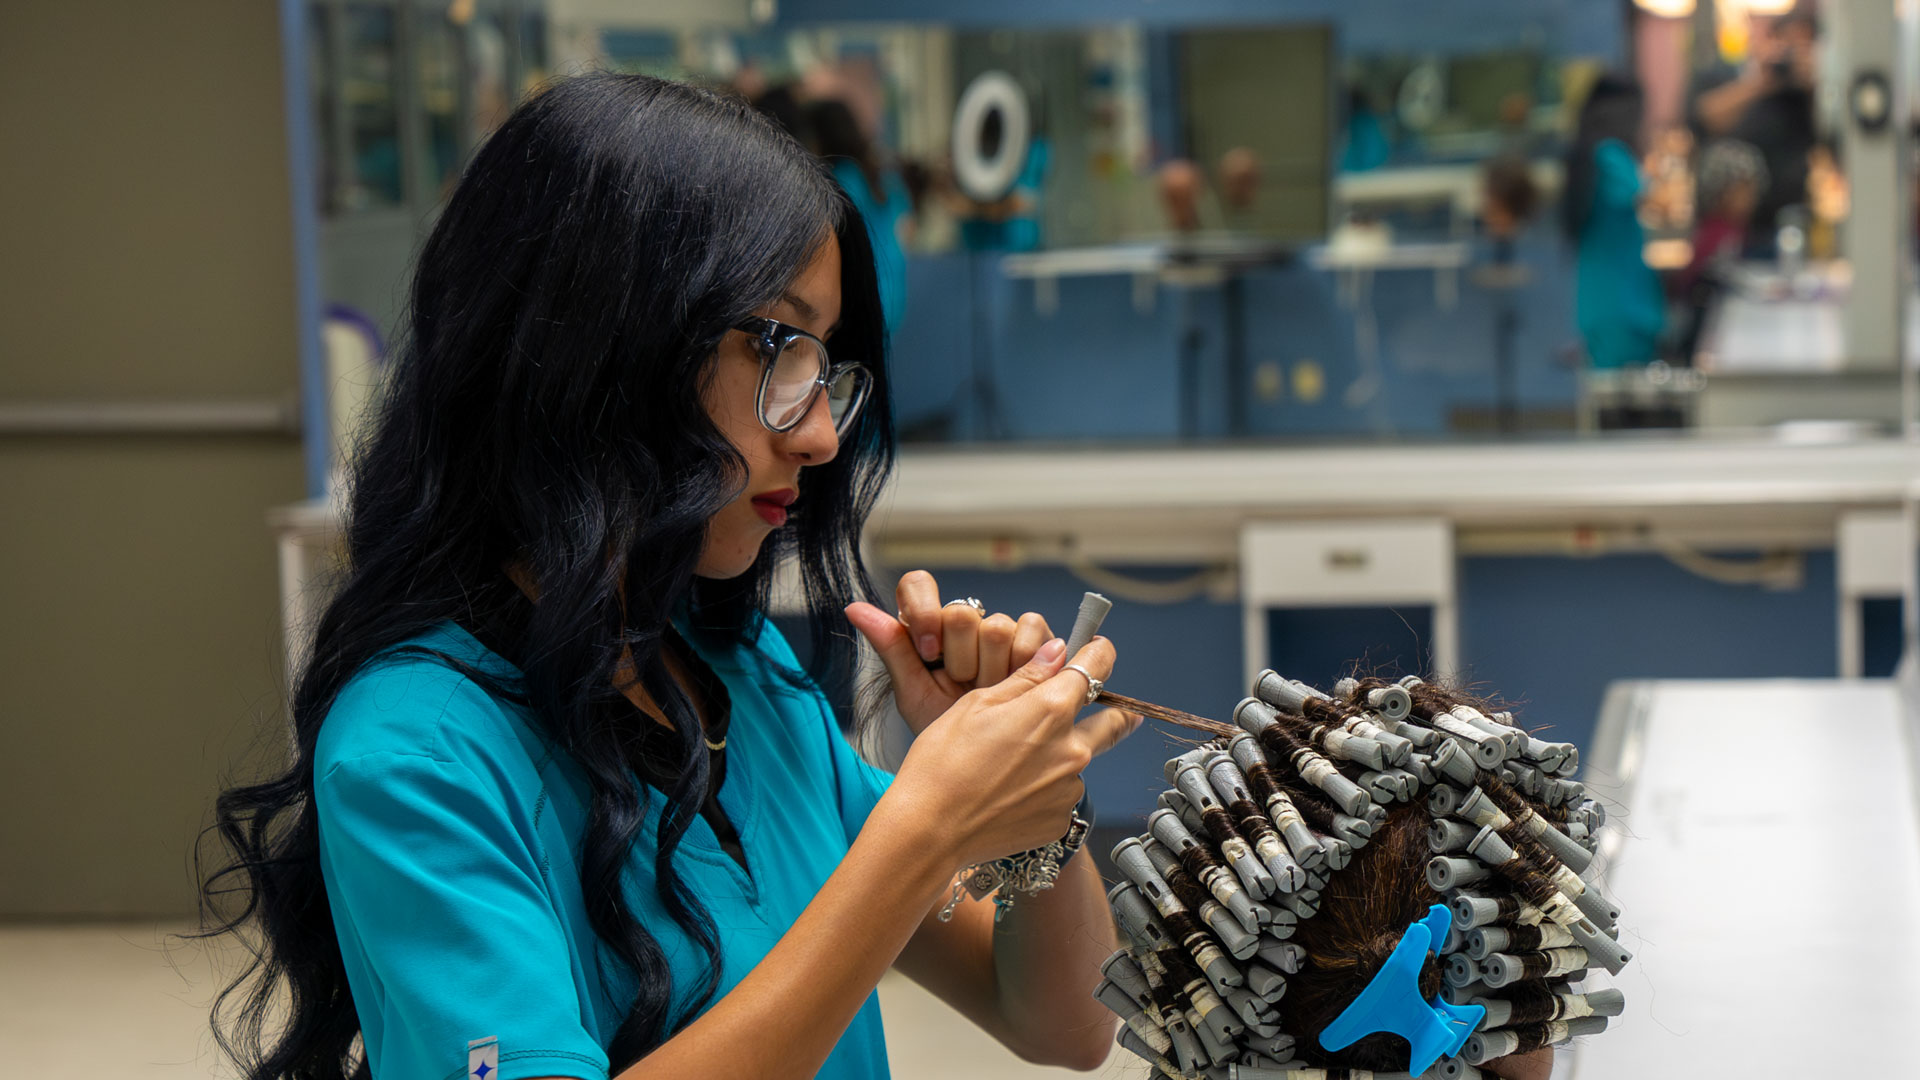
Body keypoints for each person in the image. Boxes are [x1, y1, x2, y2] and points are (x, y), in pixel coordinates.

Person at [200, 74, 1139, 1080]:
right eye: (782, 349)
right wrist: (924, 826)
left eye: (829, 370)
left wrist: (1029, 812)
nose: (822, 434)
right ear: (606, 346)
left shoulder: (740, 675)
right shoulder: (415, 756)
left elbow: (1066, 1027)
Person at [1689, 4, 1818, 252]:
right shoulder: (1723, 72)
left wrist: (1814, 85)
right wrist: (1762, 82)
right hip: (1724, 226)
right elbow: (1704, 117)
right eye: (1785, 44)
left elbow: (1832, 139)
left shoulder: (1802, 95)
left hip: (1785, 223)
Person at [1562, 75, 1664, 372]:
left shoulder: (1585, 156)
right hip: (1622, 302)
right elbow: (1647, 195)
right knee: (1624, 404)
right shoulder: (1610, 155)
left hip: (1599, 300)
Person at [806, 99, 913, 335]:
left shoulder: (841, 178)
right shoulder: (881, 173)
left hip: (863, 293)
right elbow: (906, 228)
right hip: (894, 291)